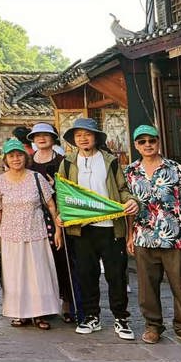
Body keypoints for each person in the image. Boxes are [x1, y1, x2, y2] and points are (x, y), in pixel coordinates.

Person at [56, 118, 139, 340]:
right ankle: (92, 316)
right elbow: (62, 194)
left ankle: (121, 319)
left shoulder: (110, 161)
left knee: (116, 275)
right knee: (86, 274)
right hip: (82, 229)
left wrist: (130, 201)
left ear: (96, 137)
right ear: (74, 139)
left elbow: (122, 188)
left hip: (111, 227)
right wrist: (61, 215)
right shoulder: (67, 163)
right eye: (78, 135)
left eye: (88, 134)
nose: (83, 138)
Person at [125, 125, 181, 348]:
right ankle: (153, 326)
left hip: (176, 237)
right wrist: (130, 235)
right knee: (147, 286)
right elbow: (129, 206)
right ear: (136, 145)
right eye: (142, 142)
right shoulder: (130, 172)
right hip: (144, 236)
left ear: (159, 142)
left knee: (180, 286)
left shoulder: (175, 168)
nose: (147, 145)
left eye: (152, 140)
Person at [0, 138, 63, 330]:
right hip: (10, 234)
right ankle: (19, 313)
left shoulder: (36, 177)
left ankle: (40, 314)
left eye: (19, 155)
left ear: (26, 157)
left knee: (38, 274)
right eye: (11, 156)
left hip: (36, 232)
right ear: (6, 160)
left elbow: (51, 205)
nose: (16, 159)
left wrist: (58, 230)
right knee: (15, 275)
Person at [27, 122, 77, 323]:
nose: (41, 138)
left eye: (45, 135)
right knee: (40, 263)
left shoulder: (64, 162)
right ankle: (45, 305)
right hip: (35, 217)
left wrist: (55, 187)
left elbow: (73, 187)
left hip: (60, 215)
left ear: (53, 138)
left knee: (63, 260)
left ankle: (67, 304)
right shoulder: (27, 162)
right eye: (37, 135)